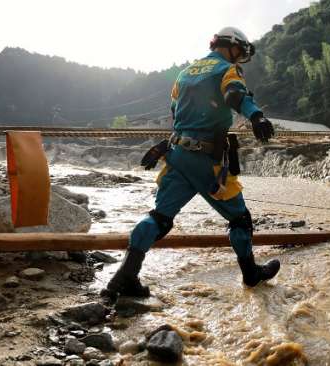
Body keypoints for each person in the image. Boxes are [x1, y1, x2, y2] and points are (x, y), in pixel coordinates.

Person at [101, 27, 279, 302]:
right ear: (231, 46)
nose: (240, 58)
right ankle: (250, 274)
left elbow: (178, 114)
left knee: (159, 217)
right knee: (239, 219)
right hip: (207, 161)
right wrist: (256, 117)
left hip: (177, 155)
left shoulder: (184, 74)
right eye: (240, 52)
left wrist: (166, 145)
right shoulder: (226, 69)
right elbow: (234, 96)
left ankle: (123, 277)